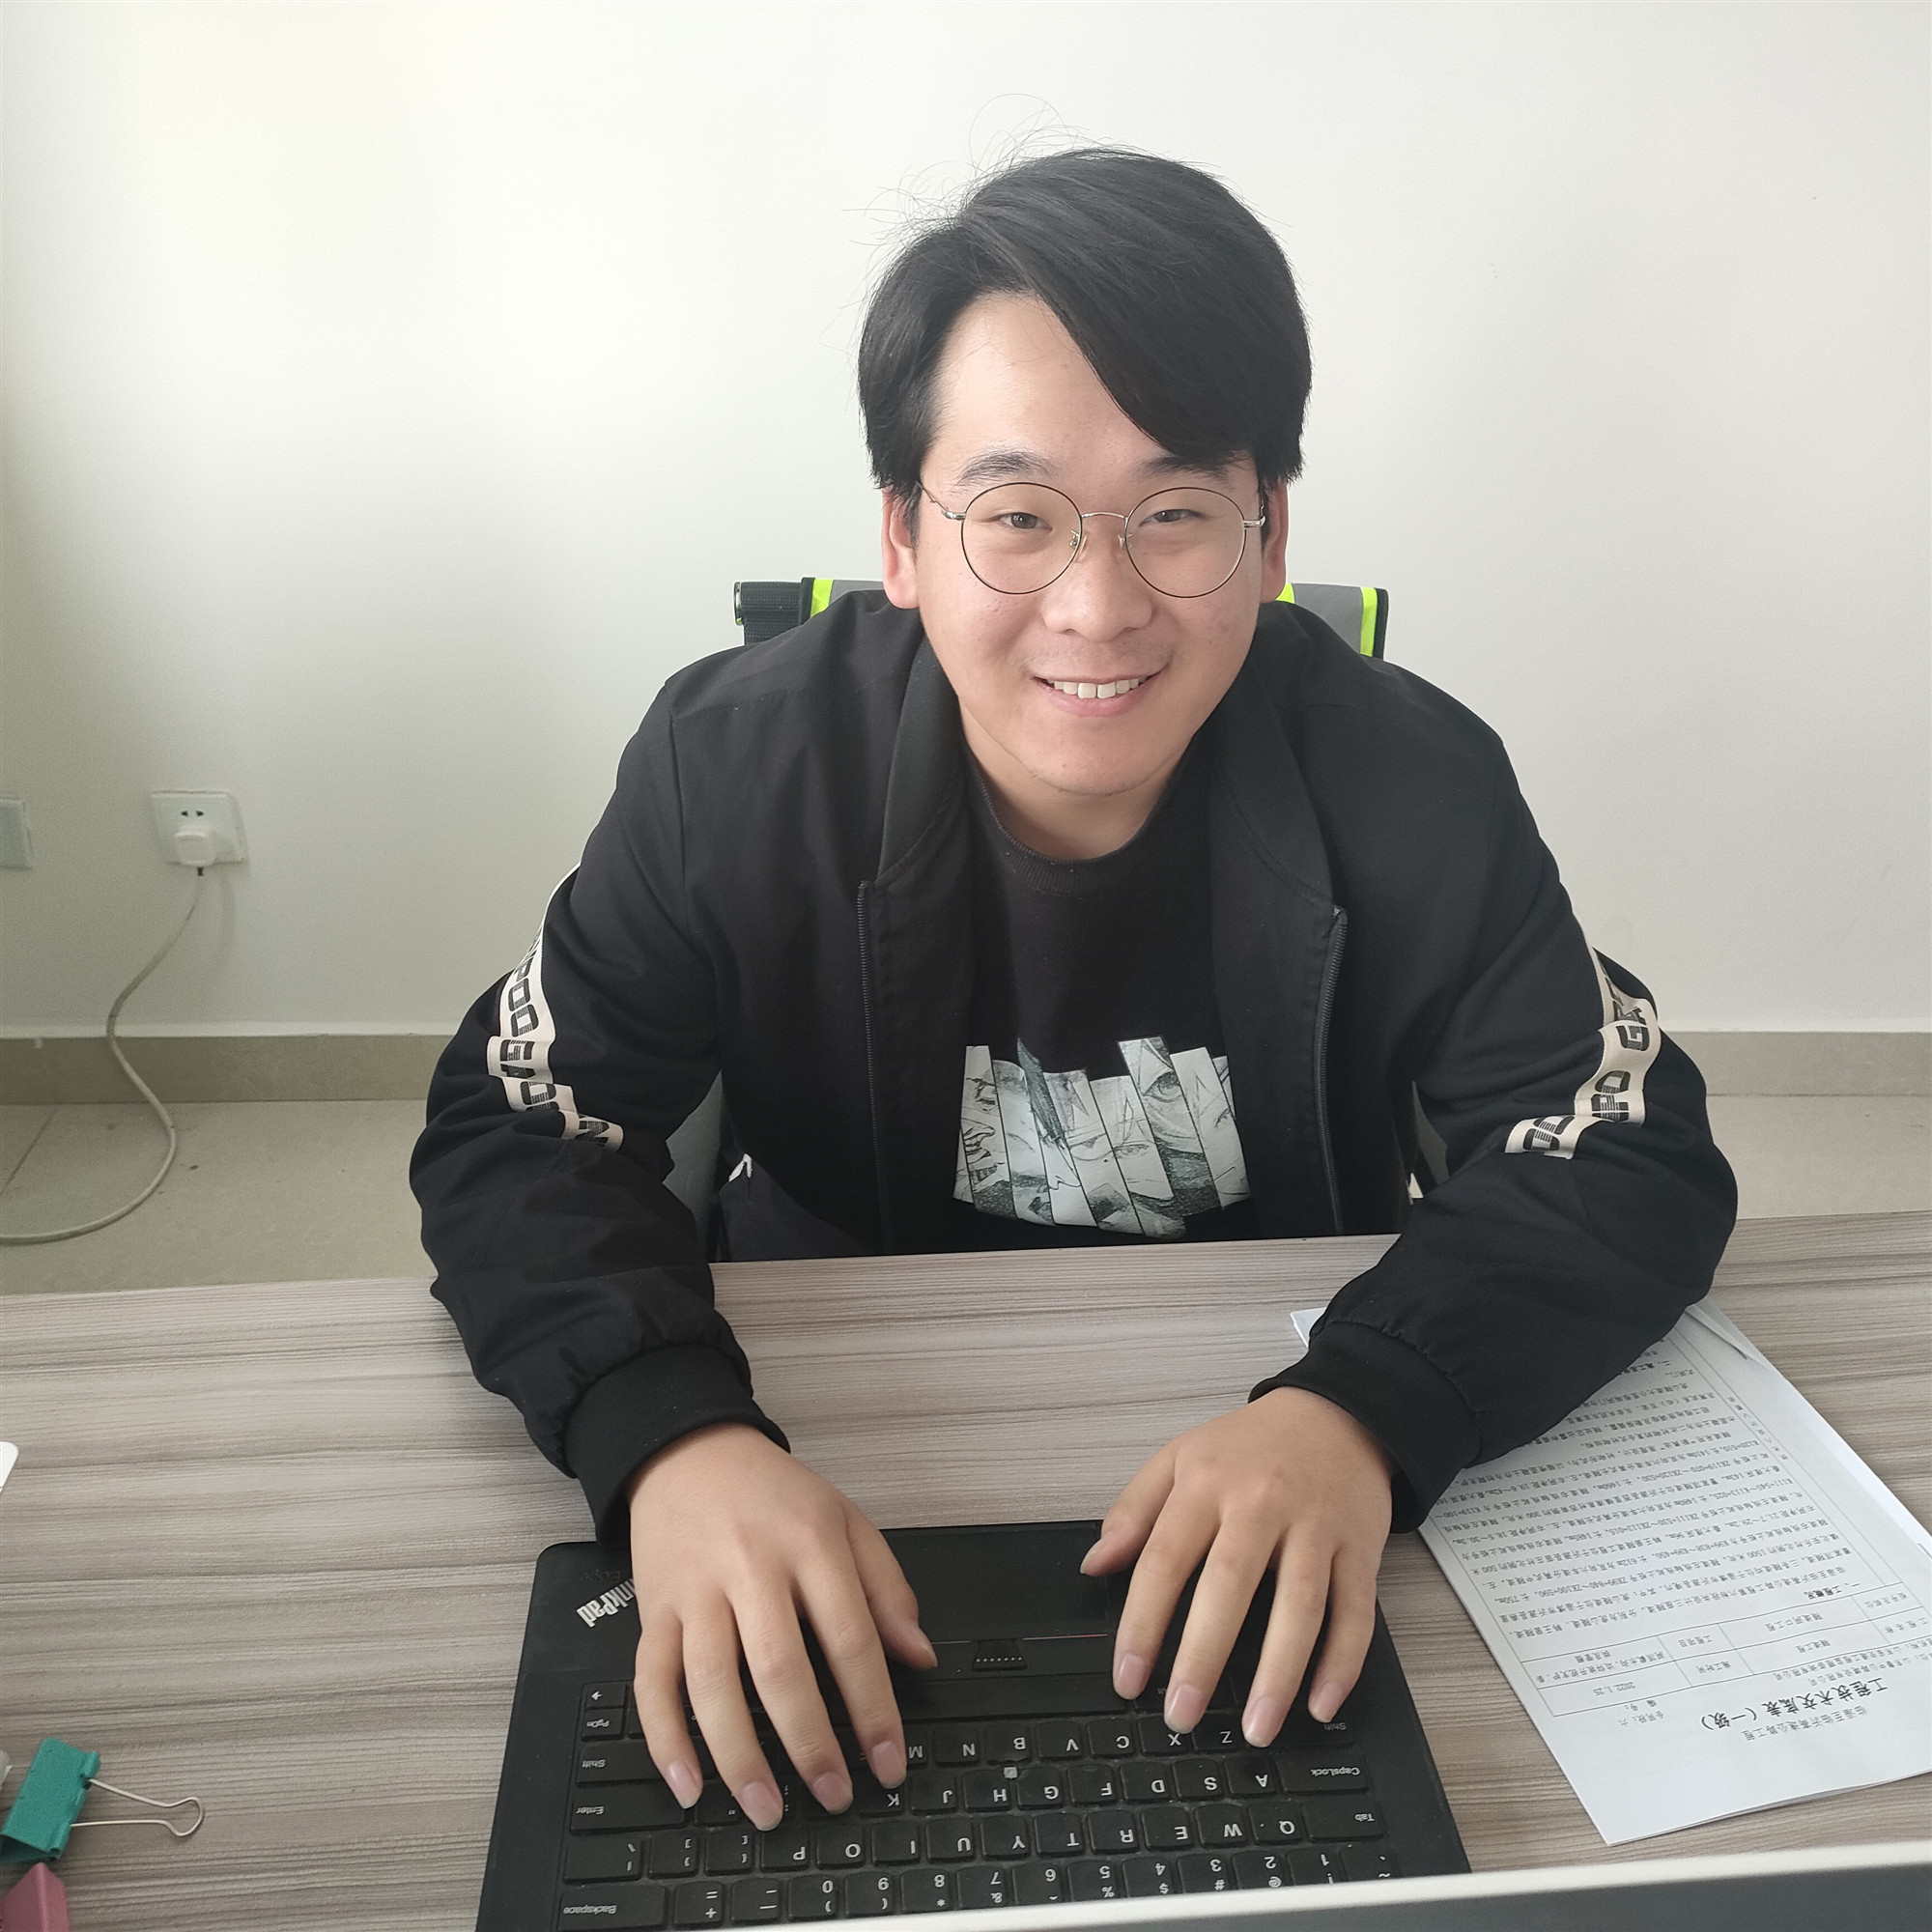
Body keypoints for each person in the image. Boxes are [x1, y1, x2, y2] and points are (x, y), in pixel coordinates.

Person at [412, 148, 1735, 1833]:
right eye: (1019, 517)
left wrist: (1365, 1410)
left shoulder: (1416, 782)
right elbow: (520, 1120)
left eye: (1174, 513)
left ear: (1269, 535)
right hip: (834, 1399)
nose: (1099, 610)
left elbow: (1623, 1143)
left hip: (1272, 1412)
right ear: (904, 538)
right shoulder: (732, 769)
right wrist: (667, 1439)